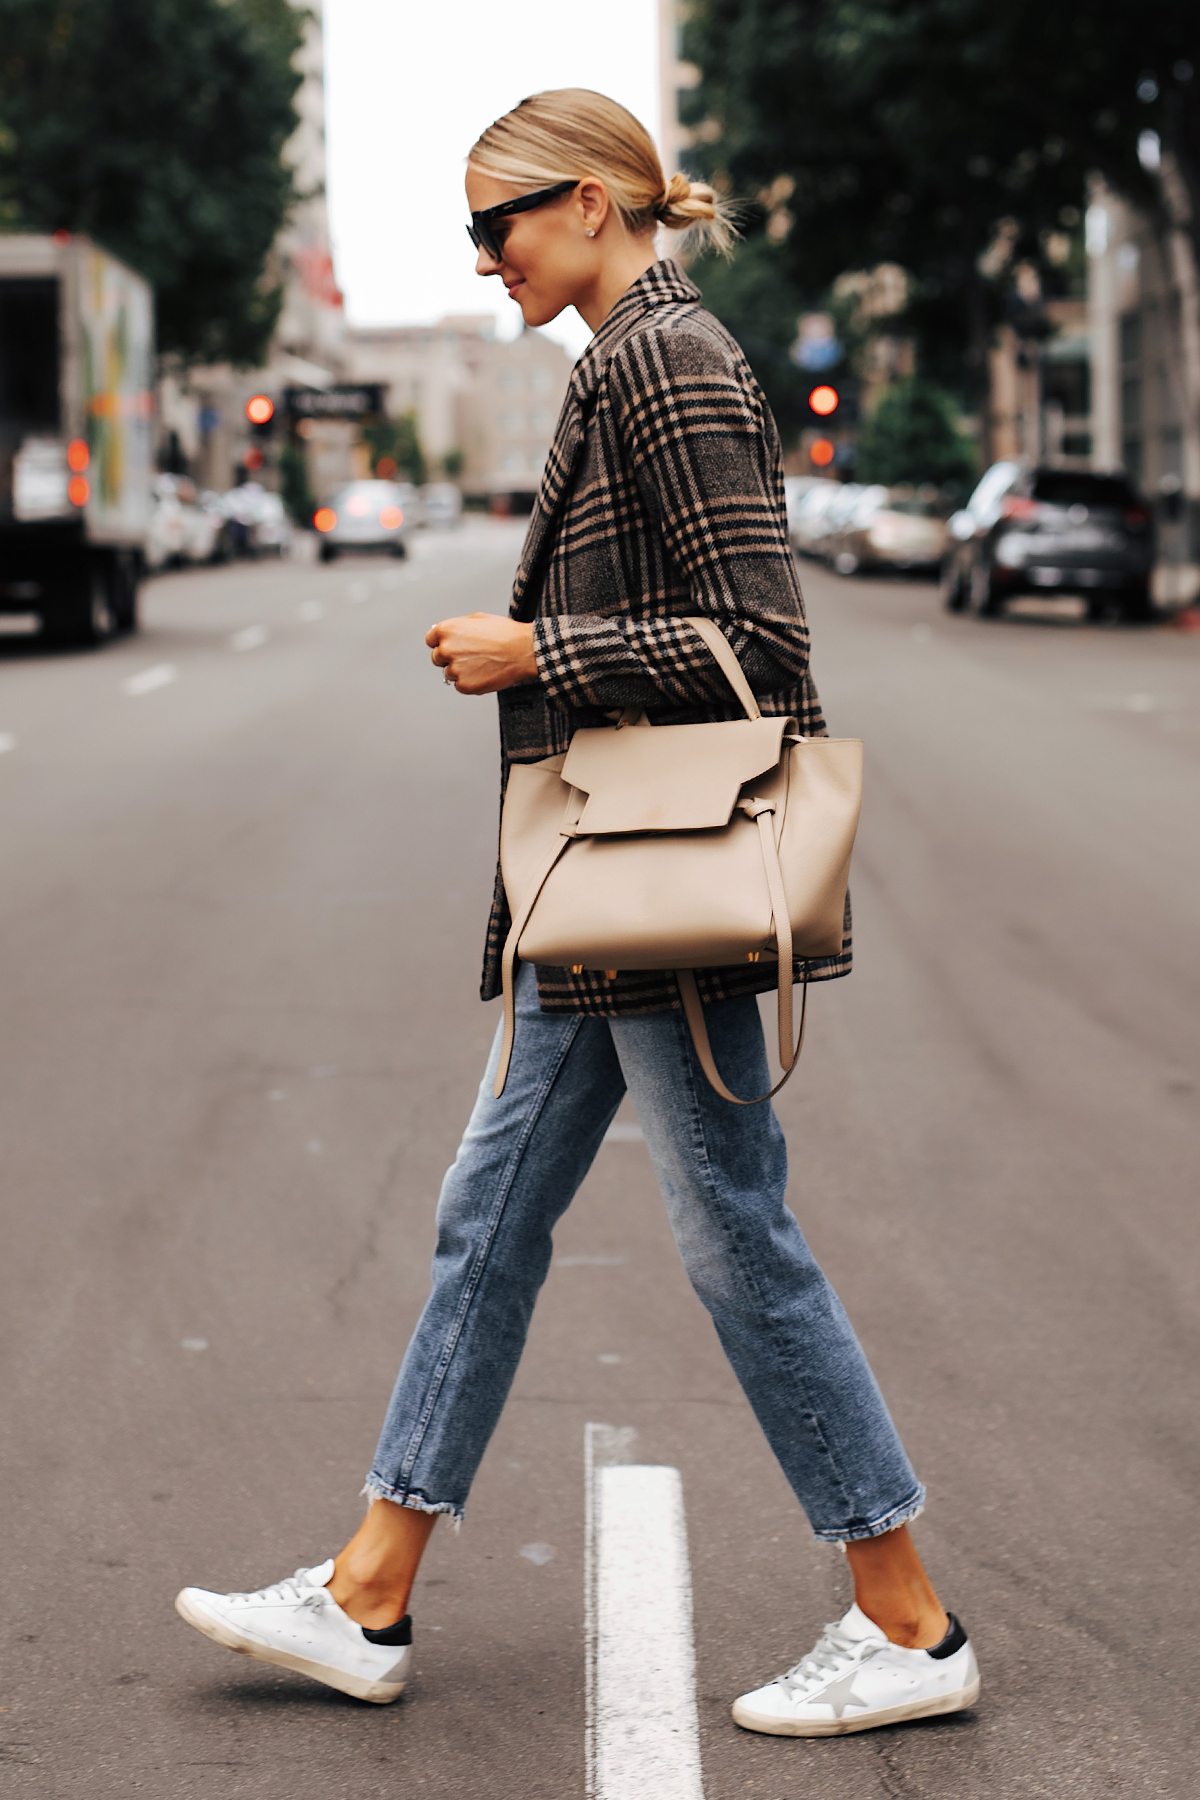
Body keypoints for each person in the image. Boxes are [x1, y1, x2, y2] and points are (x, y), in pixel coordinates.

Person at [176, 88, 980, 1738]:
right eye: (472, 239)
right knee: (489, 1218)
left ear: (602, 202)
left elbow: (765, 643)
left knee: (732, 1235)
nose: (488, 265)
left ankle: (906, 1620)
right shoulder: (617, 354)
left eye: (504, 228)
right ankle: (369, 1590)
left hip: (654, 884)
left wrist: (539, 650)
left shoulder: (667, 358)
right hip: (600, 893)